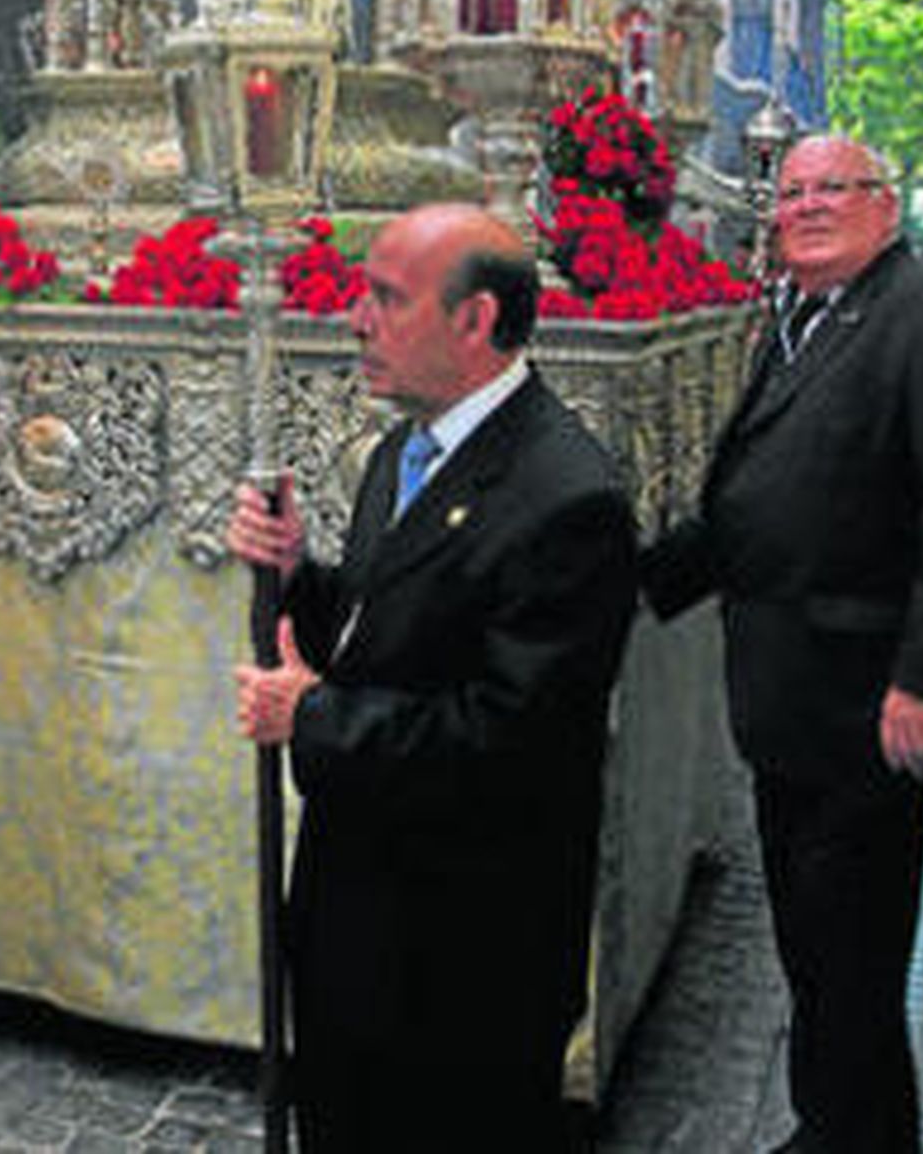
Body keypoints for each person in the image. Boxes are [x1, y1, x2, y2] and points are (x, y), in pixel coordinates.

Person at [228, 202, 637, 1152]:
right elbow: (390, 630)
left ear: (476, 320)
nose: (357, 320)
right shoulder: (407, 450)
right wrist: (301, 579)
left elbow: (511, 741)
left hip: (464, 959)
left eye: (387, 300)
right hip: (364, 931)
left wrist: (315, 717)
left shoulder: (567, 498)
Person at [642, 134, 923, 1154]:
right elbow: (756, 498)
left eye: (831, 190)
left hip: (867, 709)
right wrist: (632, 579)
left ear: (884, 207)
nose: (805, 205)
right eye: (792, 191)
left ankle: (848, 1133)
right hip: (787, 704)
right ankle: (841, 1128)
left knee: (850, 958)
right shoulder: (802, 316)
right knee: (816, 953)